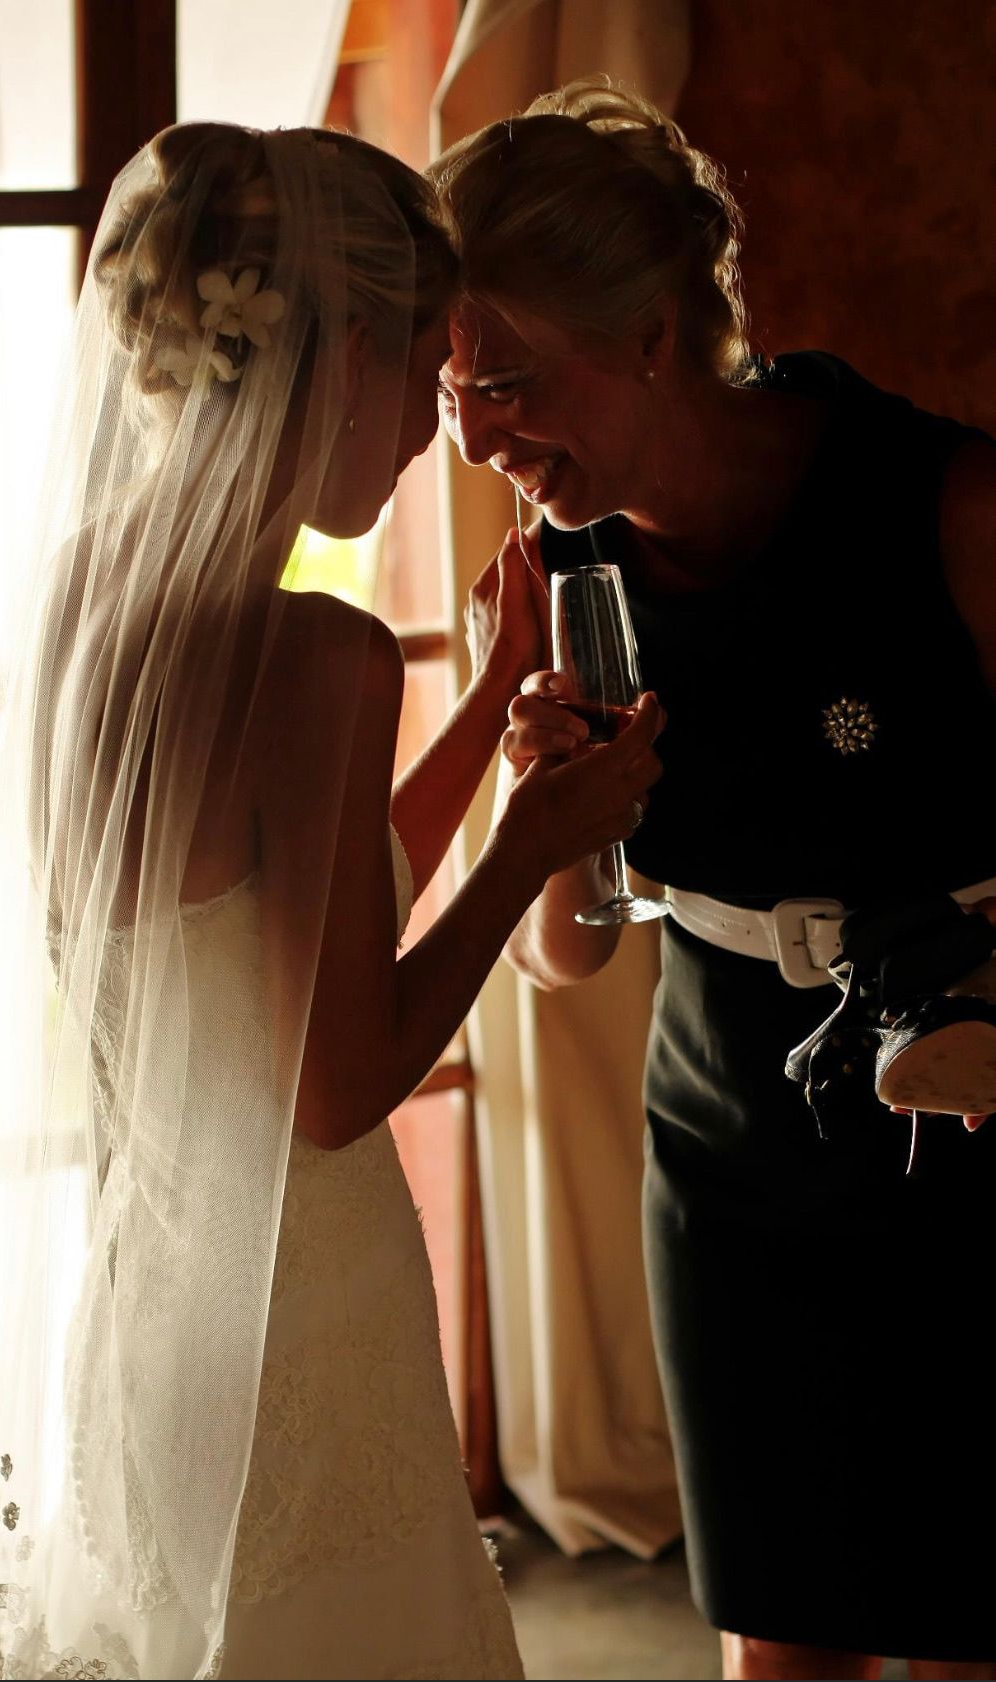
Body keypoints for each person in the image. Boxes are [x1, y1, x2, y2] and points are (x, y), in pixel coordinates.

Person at [0, 122, 665, 1681]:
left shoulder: (87, 592)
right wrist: (531, 847)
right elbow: (336, 1083)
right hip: (304, 1329)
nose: (428, 435)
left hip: (156, 1315)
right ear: (341, 353)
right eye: (419, 375)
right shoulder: (319, 657)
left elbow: (284, 912)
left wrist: (489, 702)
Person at [429, 78, 996, 1682]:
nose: (474, 439)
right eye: (453, 394)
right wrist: (547, 807)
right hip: (727, 1127)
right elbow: (567, 954)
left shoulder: (942, 503)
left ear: (651, 333)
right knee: (779, 1628)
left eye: (504, 382)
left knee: (972, 1607)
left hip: (966, 1095)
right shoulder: (553, 577)